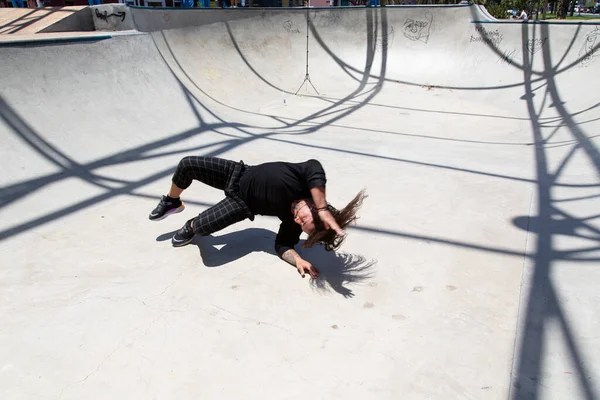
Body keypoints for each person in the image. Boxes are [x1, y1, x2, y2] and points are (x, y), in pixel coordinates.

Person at [149, 156, 366, 279]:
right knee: (187, 164)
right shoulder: (304, 180)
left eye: (301, 224)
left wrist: (297, 260)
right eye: (304, 218)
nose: (297, 221)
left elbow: (282, 246)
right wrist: (322, 205)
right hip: (237, 173)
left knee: (202, 228)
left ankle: (191, 224)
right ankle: (172, 201)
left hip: (242, 204)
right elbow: (315, 166)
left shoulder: (293, 223)